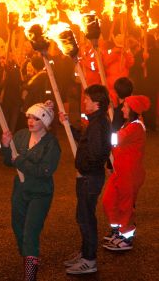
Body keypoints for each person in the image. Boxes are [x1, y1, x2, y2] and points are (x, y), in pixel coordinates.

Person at [1, 101, 61, 281]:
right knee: (17, 226)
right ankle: (29, 257)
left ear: (45, 122)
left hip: (40, 193)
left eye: (36, 118)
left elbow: (44, 170)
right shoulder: (20, 136)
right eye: (29, 117)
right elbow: (7, 161)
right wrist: (5, 146)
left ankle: (30, 274)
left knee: (31, 231)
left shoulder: (51, 144)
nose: (31, 121)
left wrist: (19, 161)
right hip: (20, 189)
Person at [61, 84, 111, 275]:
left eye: (87, 99)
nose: (84, 101)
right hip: (88, 176)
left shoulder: (99, 124)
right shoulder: (96, 121)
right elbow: (85, 140)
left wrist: (83, 170)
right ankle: (84, 253)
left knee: (86, 218)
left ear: (96, 103)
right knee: (83, 216)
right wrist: (68, 126)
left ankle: (89, 260)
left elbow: (97, 153)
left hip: (89, 178)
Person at [102, 95, 150, 251]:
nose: (122, 109)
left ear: (132, 110)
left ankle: (126, 237)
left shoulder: (135, 126)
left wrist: (101, 127)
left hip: (130, 174)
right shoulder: (129, 124)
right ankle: (118, 230)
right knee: (109, 200)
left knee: (125, 206)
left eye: (125, 107)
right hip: (121, 172)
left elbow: (115, 140)